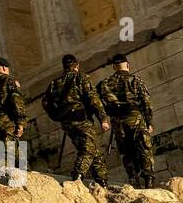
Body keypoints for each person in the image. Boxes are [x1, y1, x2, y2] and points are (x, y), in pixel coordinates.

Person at [42, 53, 110, 187]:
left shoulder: (55, 83)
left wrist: (57, 116)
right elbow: (93, 99)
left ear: (64, 67)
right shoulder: (81, 78)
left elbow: (46, 103)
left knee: (92, 150)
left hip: (67, 123)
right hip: (81, 119)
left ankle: (102, 182)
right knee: (88, 150)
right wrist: (103, 118)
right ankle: (77, 177)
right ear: (77, 65)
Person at [98, 53, 156, 188]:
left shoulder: (104, 84)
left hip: (118, 121)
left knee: (127, 151)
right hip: (135, 118)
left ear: (113, 67)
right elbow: (146, 102)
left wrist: (104, 119)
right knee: (143, 147)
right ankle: (149, 179)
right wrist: (149, 122)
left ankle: (133, 179)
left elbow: (98, 104)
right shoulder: (136, 80)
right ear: (128, 65)